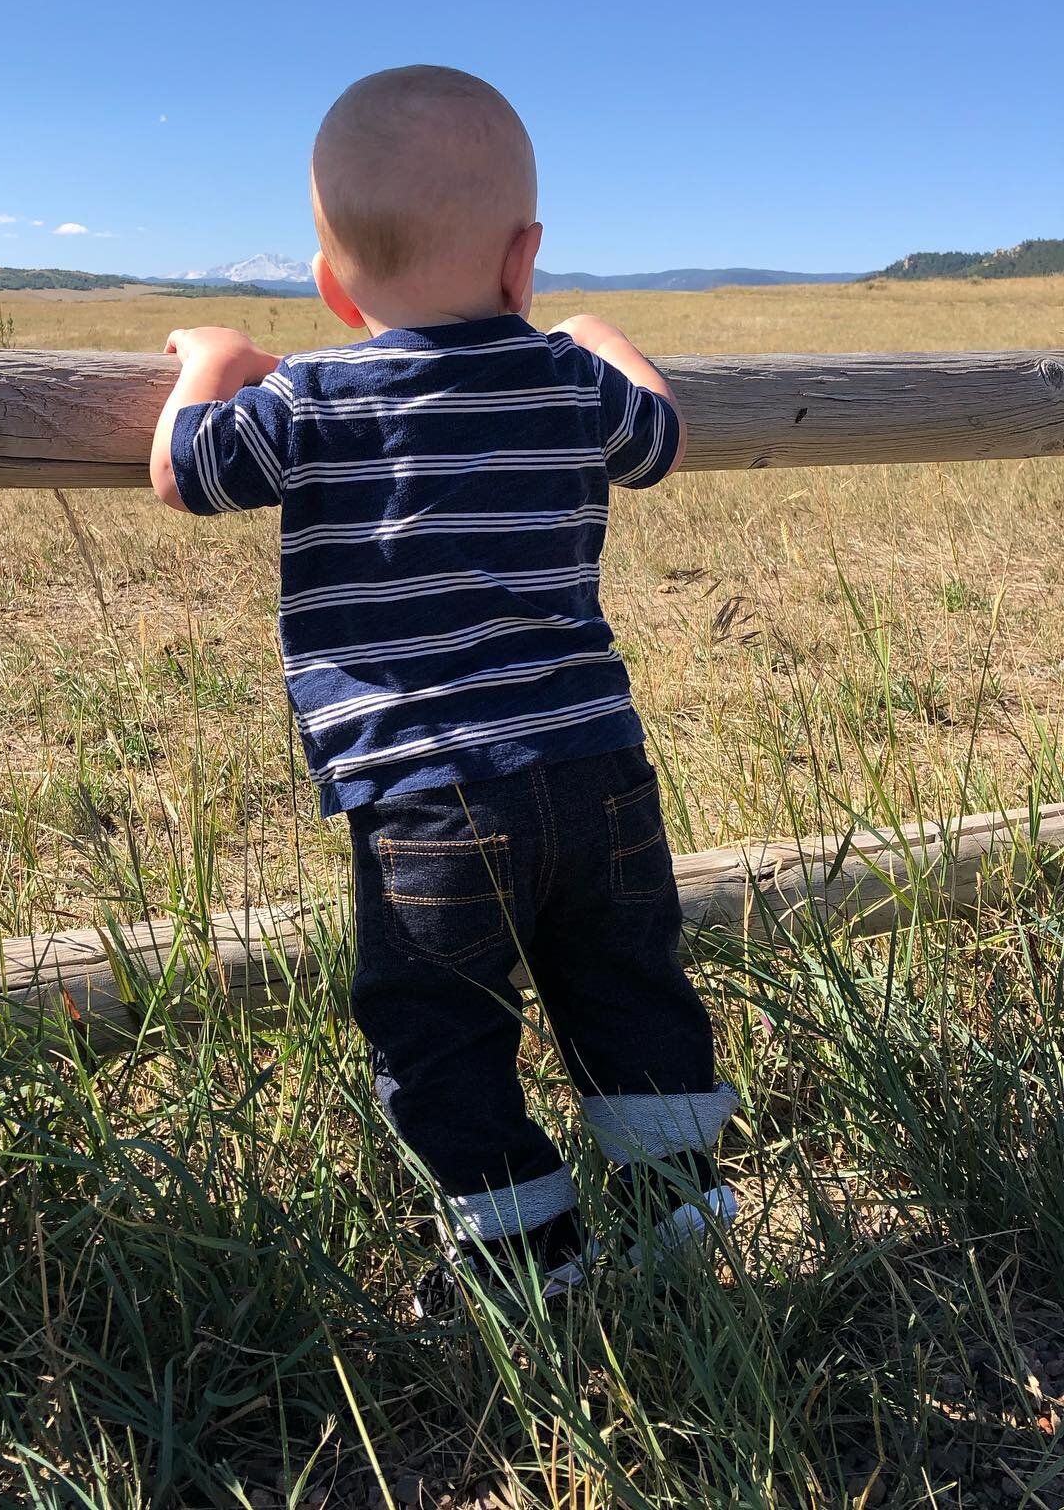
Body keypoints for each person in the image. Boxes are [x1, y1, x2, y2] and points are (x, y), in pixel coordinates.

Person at [150, 64, 737, 1319]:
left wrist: (210, 357)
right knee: (629, 986)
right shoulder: (566, 381)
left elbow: (191, 472)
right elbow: (661, 434)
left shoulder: (313, 393)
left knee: (440, 1024)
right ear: (526, 260)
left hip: (424, 795)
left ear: (328, 286)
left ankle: (526, 1261)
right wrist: (591, 334)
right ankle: (678, 1216)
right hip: (597, 770)